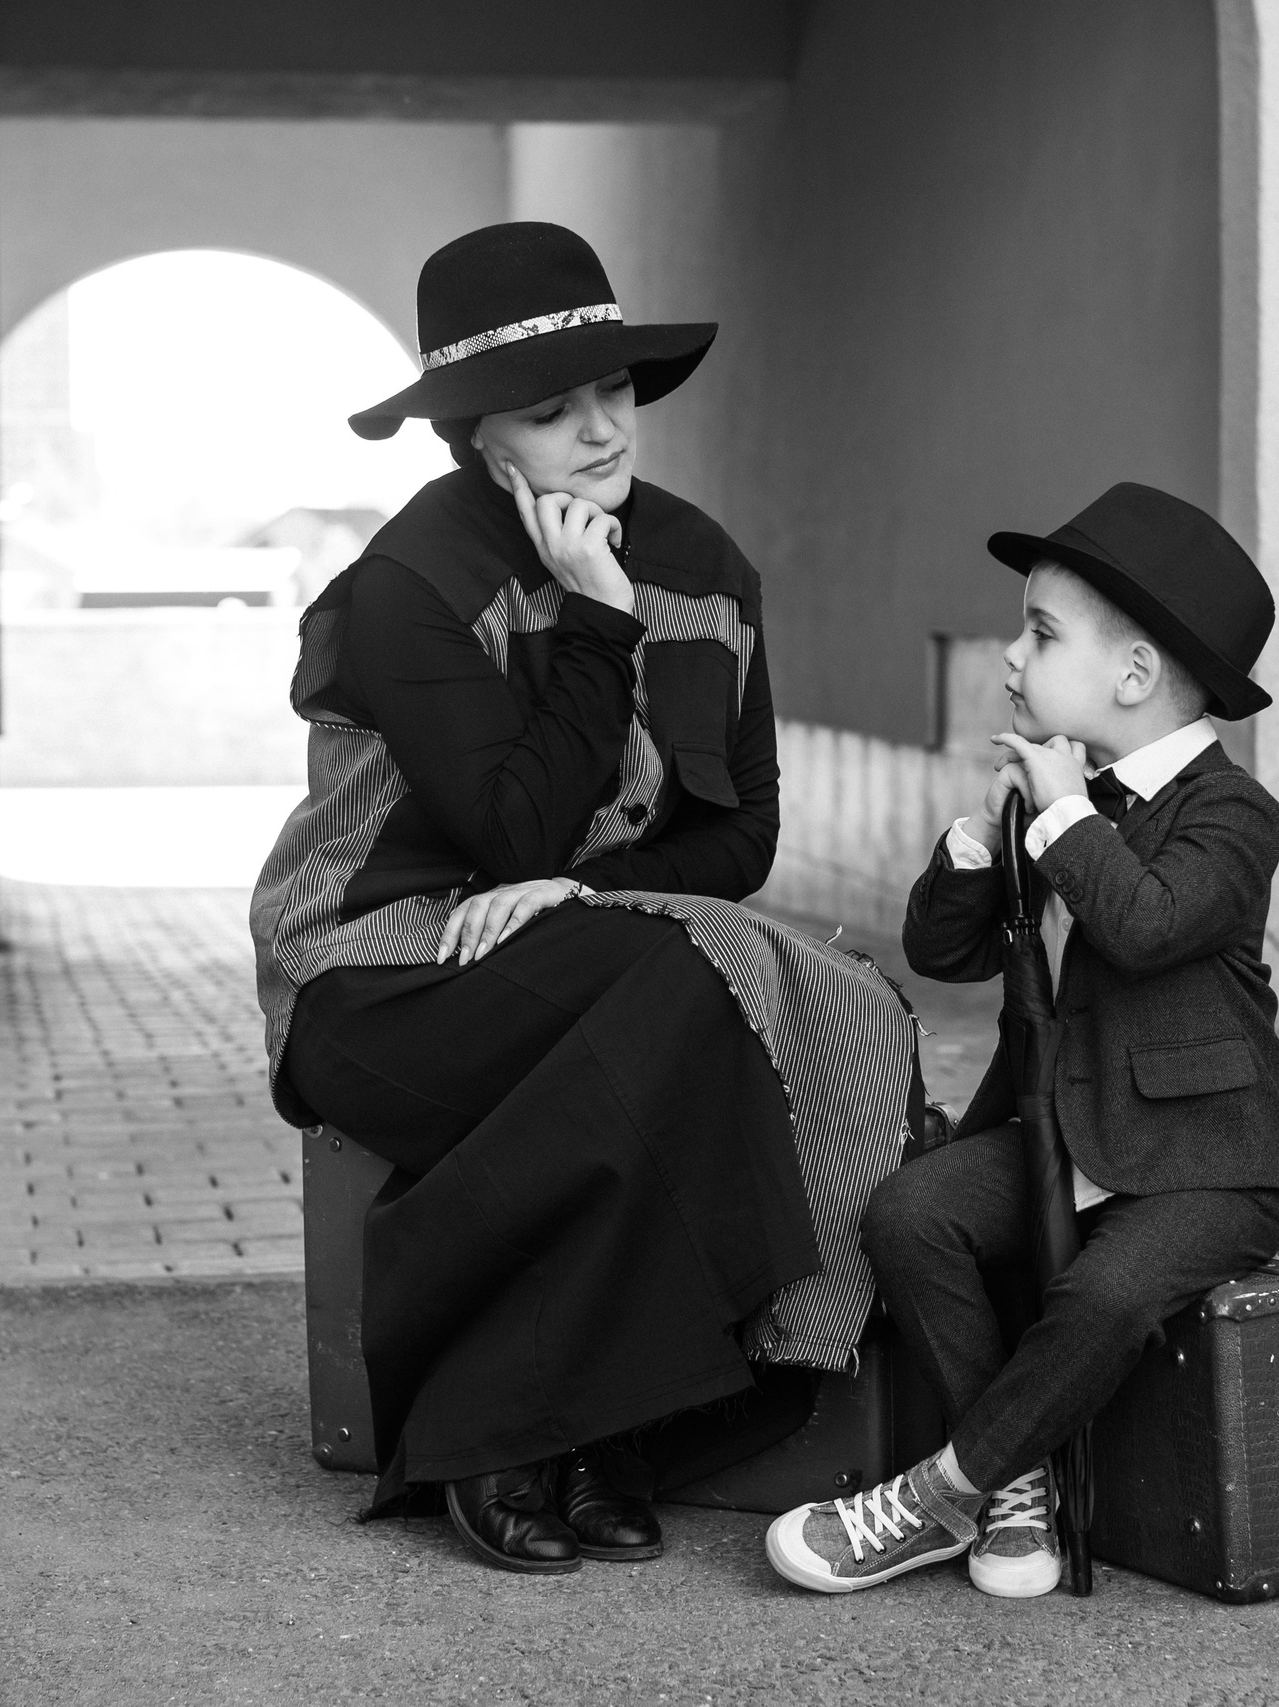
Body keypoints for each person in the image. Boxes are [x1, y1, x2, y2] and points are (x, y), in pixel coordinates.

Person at [252, 222, 916, 1577]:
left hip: (574, 947)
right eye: (553, 413)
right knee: (677, 987)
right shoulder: (412, 585)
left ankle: (596, 1426)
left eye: (612, 390)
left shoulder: (709, 565)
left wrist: (581, 889)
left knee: (708, 983)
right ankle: (494, 1426)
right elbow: (504, 826)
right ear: (478, 443)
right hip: (378, 979)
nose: (604, 429)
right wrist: (595, 617)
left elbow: (742, 836)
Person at [763, 482, 1279, 1597]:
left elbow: (1147, 925)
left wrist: (1063, 817)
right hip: (1072, 1130)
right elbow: (947, 953)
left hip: (1207, 1159)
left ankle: (937, 1495)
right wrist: (977, 836)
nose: (1009, 656)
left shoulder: (1232, 812)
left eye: (1040, 633)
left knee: (1101, 1298)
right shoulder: (1057, 795)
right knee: (911, 1215)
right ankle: (1019, 1487)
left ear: (1134, 676)